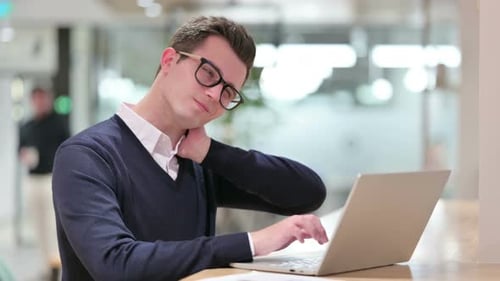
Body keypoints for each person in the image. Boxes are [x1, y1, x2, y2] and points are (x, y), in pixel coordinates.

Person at [52, 16, 328, 281]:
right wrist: (252, 242)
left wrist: (212, 153)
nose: (214, 94)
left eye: (228, 92)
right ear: (170, 60)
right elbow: (116, 265)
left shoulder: (197, 161)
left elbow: (307, 193)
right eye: (208, 73)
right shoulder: (86, 156)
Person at [18, 86, 70, 280]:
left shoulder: (58, 123)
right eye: (36, 99)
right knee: (37, 224)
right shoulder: (27, 126)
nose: (40, 103)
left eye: (43, 98)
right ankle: (46, 267)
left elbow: (68, 148)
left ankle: (56, 265)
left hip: (50, 178)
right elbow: (20, 149)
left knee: (52, 224)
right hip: (32, 178)